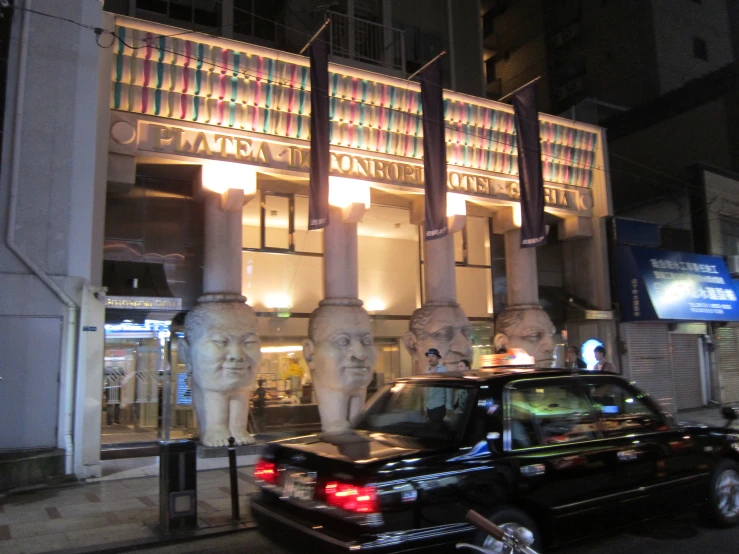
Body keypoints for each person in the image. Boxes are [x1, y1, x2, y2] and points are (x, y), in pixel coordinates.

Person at [424, 348, 454, 422]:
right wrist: (425, 407)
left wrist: (449, 406)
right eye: (429, 356)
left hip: (439, 405)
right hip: (429, 406)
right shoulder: (427, 371)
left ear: (438, 358)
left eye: (433, 356)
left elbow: (448, 389)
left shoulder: (443, 370)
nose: (430, 359)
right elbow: (426, 390)